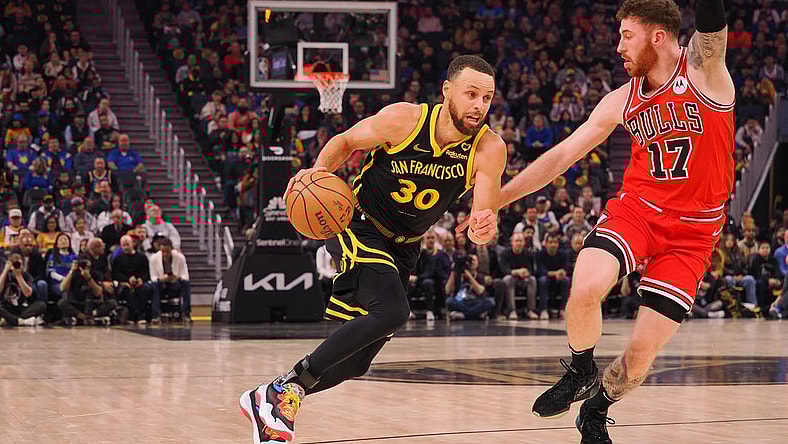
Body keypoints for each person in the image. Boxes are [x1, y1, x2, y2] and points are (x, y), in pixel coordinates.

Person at [459, 1, 736, 442]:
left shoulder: (705, 73)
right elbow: (562, 156)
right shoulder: (622, 99)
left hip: (694, 234)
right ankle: (581, 368)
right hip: (638, 211)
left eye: (628, 35)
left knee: (639, 359)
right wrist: (498, 200)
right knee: (586, 284)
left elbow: (712, 24)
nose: (618, 45)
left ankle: (597, 406)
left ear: (657, 36)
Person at [241, 55, 506, 443]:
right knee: (395, 311)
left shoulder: (489, 148)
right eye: (471, 94)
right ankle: (286, 387)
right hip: (358, 223)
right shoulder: (405, 119)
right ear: (448, 90)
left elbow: (483, 217)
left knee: (358, 362)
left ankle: (271, 398)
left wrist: (484, 227)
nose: (479, 106)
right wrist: (317, 174)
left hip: (404, 247)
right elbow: (345, 141)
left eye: (487, 97)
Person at [57, 238, 118, 326]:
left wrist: (89, 278)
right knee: (62, 302)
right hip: (76, 302)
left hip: (93, 303)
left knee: (112, 303)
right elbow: (62, 288)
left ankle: (85, 317)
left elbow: (98, 293)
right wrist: (71, 271)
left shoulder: (96, 272)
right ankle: (85, 317)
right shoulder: (76, 271)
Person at [149, 238, 191, 322]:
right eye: (163, 251)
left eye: (167, 251)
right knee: (154, 286)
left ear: (171, 249)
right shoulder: (154, 258)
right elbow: (153, 276)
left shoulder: (180, 257)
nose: (165, 254)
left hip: (174, 283)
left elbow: (185, 275)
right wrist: (161, 278)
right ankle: (156, 315)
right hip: (161, 283)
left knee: (186, 284)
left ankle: (186, 313)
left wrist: (177, 277)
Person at [0, 251, 44, 326]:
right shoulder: (4, 275)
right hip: (6, 307)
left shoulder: (26, 275)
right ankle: (21, 321)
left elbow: (28, 293)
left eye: (18, 264)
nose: (16, 266)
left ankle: (11, 320)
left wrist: (18, 276)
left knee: (41, 305)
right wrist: (5, 271)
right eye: (14, 264)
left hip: (22, 307)